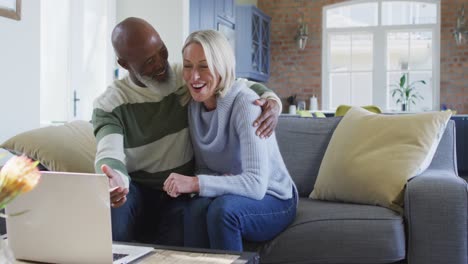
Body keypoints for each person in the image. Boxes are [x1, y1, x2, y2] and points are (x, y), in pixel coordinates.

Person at [92, 17, 282, 245]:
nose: (161, 64)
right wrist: (114, 180)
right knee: (115, 211)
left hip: (179, 191)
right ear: (125, 64)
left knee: (192, 223)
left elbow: (231, 82)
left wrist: (272, 100)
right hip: (138, 188)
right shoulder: (110, 103)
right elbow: (109, 153)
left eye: (162, 51)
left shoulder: (183, 78)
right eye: (150, 61)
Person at [163, 30, 298, 251]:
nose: (193, 76)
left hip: (274, 196)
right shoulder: (194, 105)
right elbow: (207, 168)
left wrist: (196, 183)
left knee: (223, 212)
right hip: (237, 189)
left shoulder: (247, 104)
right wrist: (214, 182)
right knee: (193, 208)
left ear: (222, 67)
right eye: (188, 66)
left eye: (204, 66)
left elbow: (255, 185)